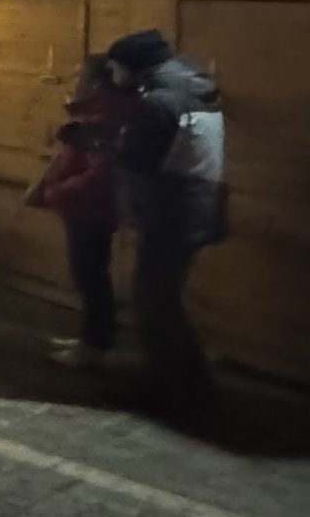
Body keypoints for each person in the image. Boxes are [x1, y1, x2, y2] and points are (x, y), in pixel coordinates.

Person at [106, 30, 226, 414]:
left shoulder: (157, 103)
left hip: (169, 214)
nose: (112, 75)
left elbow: (135, 161)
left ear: (133, 66)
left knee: (156, 307)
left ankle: (175, 395)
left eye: (114, 67)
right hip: (195, 209)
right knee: (164, 304)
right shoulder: (195, 91)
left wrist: (106, 147)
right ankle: (189, 389)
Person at [28, 56, 133, 370]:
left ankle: (94, 345)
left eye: (81, 76)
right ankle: (91, 337)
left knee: (90, 276)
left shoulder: (106, 116)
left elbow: (101, 173)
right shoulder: (94, 110)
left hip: (91, 208)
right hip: (83, 207)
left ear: (97, 81)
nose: (75, 80)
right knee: (87, 274)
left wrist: (58, 191)